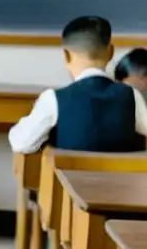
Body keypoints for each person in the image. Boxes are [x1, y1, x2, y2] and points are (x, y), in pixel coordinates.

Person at [8, 16, 147, 153]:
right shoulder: (131, 95)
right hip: (121, 176)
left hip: (69, 176)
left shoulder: (53, 99)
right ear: (110, 52)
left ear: (66, 56)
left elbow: (21, 143)